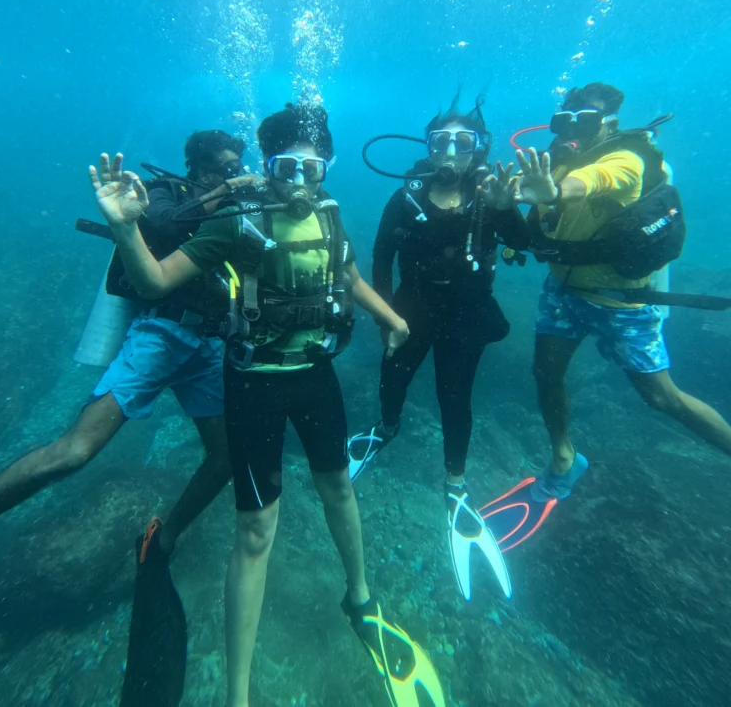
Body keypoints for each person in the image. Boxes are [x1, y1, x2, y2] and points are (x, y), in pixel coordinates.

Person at [89, 103, 446, 707]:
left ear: (327, 168)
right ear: (267, 167)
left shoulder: (330, 215)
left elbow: (349, 272)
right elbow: (152, 283)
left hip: (317, 378)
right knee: (256, 532)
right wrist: (126, 228)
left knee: (340, 490)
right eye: (286, 167)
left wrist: (391, 318)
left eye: (314, 168)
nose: (300, 183)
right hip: (254, 385)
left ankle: (359, 598)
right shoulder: (235, 224)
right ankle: (239, 694)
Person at [0, 128, 258, 550]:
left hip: (209, 341)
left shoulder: (230, 208)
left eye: (238, 166)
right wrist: (227, 190)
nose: (236, 173)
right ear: (201, 167)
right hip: (161, 332)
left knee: (225, 457)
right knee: (75, 452)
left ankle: (164, 538)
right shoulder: (163, 189)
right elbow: (162, 223)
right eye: (228, 166)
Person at [481, 82, 731, 551]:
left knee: (663, 399)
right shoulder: (553, 160)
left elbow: (588, 183)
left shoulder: (627, 159)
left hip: (623, 300)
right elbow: (531, 223)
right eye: (565, 120)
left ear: (610, 124)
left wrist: (555, 189)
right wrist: (502, 203)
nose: (573, 130)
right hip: (564, 291)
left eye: (587, 120)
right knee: (545, 373)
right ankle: (563, 458)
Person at [346, 94, 530, 600]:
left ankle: (455, 481)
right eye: (441, 142)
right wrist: (385, 317)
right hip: (411, 310)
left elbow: (528, 243)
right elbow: (382, 257)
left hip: (468, 317)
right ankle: (386, 429)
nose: (451, 152)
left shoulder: (490, 194)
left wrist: (508, 209)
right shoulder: (405, 197)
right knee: (393, 377)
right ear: (427, 149)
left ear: (478, 148)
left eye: (462, 142)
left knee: (456, 398)